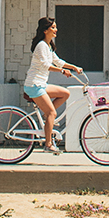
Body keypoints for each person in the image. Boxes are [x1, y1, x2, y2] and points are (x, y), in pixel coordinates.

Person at [23, 16, 80, 154]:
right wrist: (61, 71)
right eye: (53, 27)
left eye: (55, 27)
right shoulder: (41, 45)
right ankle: (48, 144)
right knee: (51, 112)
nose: (56, 30)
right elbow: (46, 65)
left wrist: (74, 67)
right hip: (34, 85)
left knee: (65, 93)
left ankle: (48, 119)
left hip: (41, 84)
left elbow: (58, 61)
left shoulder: (48, 46)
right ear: (45, 30)